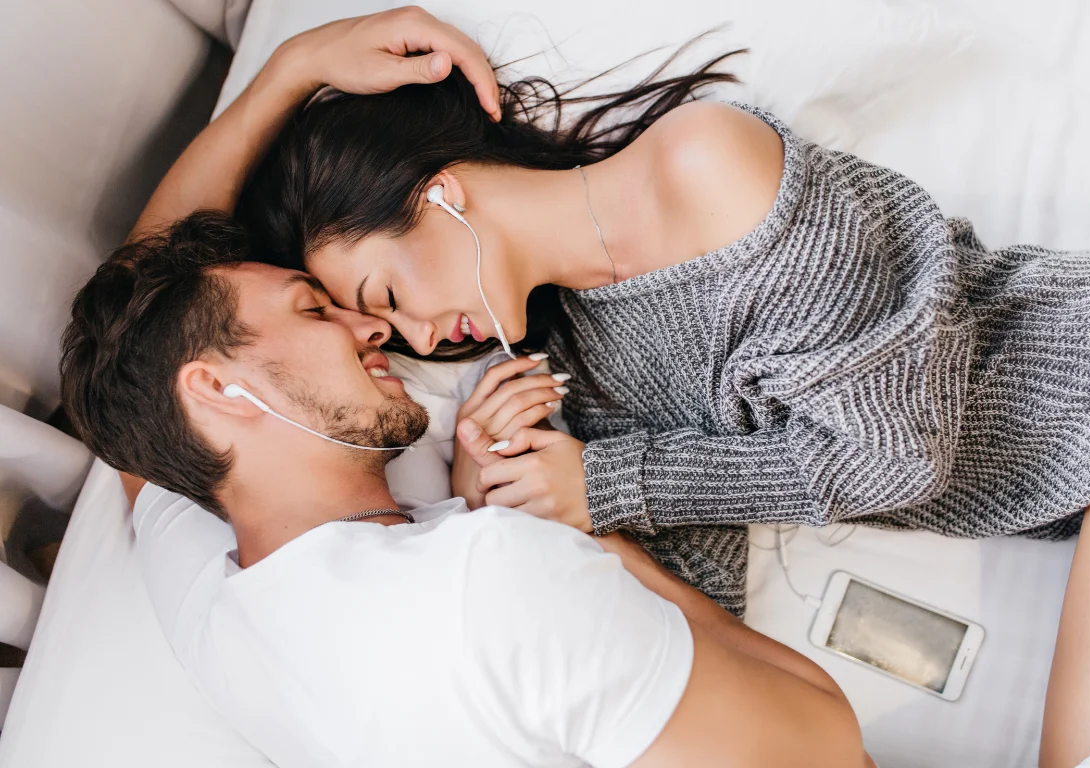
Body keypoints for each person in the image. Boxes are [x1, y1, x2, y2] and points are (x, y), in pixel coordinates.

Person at [233, 18, 1090, 768]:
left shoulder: (707, 165)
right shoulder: (577, 361)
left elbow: (896, 453)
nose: (412, 338)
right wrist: (520, 510)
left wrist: (604, 486)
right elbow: (703, 605)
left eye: (389, 298)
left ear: (438, 193)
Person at [59, 9, 872, 768]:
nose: (375, 330)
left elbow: (139, 353)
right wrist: (566, 531)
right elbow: (826, 737)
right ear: (219, 391)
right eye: (316, 309)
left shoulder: (216, 604)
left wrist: (292, 69)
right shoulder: (495, 583)